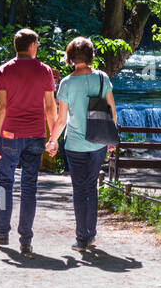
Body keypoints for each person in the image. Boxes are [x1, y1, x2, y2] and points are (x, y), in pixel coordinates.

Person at [0, 29, 56, 256]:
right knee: (29, 188)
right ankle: (26, 239)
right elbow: (50, 107)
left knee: (4, 183)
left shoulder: (4, 70)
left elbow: (0, 108)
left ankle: (1, 232)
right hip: (36, 136)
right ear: (32, 46)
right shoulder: (45, 71)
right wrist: (53, 138)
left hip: (9, 135)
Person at [48, 37, 117, 254]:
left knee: (79, 190)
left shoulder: (66, 83)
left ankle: (81, 238)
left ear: (70, 58)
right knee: (91, 187)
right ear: (91, 56)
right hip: (98, 142)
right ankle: (92, 233)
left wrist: (52, 141)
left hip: (75, 144)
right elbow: (112, 111)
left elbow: (61, 120)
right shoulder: (102, 78)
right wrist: (111, 139)